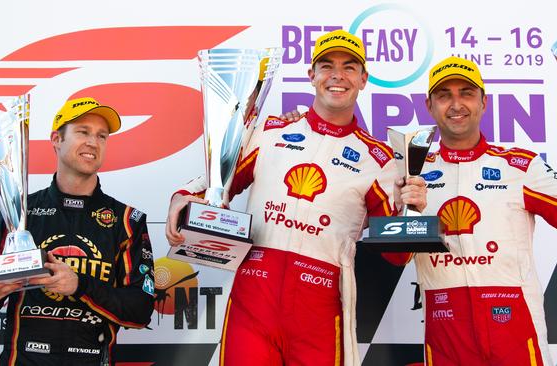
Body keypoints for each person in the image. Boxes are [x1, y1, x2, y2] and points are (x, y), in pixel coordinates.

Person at [166, 29, 419, 366]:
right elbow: (217, 182)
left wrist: (412, 211)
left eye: (349, 67)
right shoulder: (270, 133)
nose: (337, 76)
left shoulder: (380, 161)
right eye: (327, 66)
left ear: (363, 79)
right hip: (253, 299)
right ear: (311, 75)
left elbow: (397, 256)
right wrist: (183, 196)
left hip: (322, 306)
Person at [384, 56, 557, 366]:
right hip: (448, 339)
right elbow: (395, 257)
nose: (456, 104)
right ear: (429, 105)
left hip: (516, 336)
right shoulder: (412, 170)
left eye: (466, 93)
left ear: (484, 102)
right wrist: (406, 211)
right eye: (445, 95)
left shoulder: (519, 166)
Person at [0, 97, 156, 366]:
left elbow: (141, 310)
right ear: (56, 140)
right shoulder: (16, 213)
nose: (93, 142)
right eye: (83, 132)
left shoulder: (127, 221)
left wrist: (80, 285)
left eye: (102, 136)